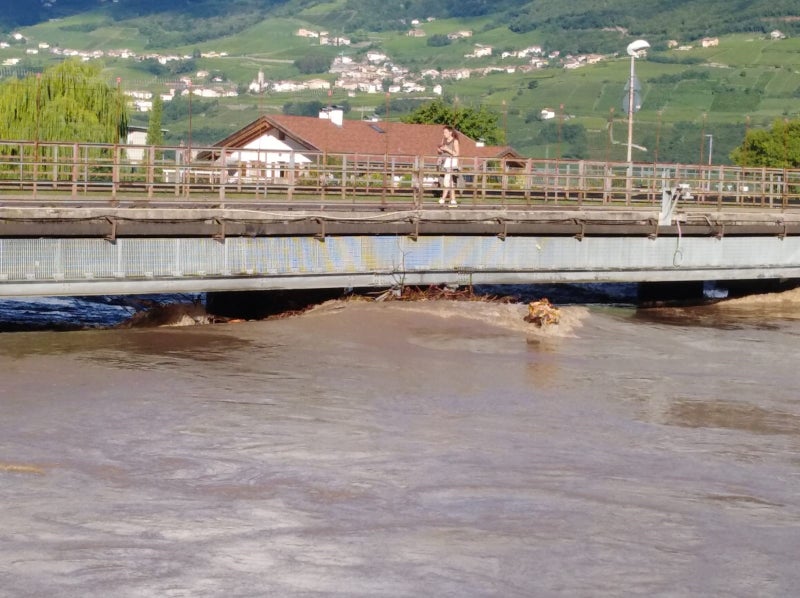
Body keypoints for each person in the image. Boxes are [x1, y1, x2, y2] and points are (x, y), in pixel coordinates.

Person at [437, 125, 460, 207]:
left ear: (450, 132)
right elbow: (441, 152)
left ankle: (444, 199)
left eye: (445, 132)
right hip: (444, 163)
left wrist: (447, 149)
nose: (444, 134)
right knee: (448, 181)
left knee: (448, 180)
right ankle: (452, 200)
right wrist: (440, 151)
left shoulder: (455, 141)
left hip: (451, 163)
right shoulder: (443, 140)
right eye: (443, 132)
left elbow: (457, 154)